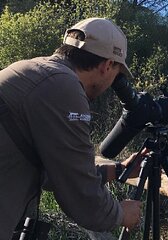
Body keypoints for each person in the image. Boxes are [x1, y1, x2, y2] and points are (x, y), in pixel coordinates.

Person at [0, 17, 144, 239]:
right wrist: (120, 214)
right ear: (107, 66)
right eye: (117, 75)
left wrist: (116, 170)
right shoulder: (63, 86)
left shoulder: (35, 70)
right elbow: (80, 194)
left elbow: (57, 173)